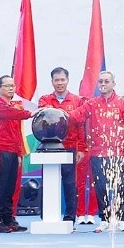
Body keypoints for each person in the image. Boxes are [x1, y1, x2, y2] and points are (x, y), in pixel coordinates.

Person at [0, 75, 33, 233]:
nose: (11, 88)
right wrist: (31, 114)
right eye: (7, 86)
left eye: (13, 86)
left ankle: (9, 219)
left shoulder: (14, 106)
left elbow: (16, 125)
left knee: (10, 186)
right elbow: (10, 115)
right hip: (1, 149)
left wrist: (19, 150)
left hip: (14, 150)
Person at [83, 70, 124, 232]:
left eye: (106, 81)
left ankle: (121, 218)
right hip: (98, 153)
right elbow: (78, 116)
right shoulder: (92, 103)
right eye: (101, 82)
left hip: (118, 153)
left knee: (119, 185)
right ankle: (104, 218)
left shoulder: (122, 103)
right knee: (100, 187)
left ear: (113, 84)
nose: (103, 85)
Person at [37, 67, 84, 224]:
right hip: (49, 148)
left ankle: (70, 218)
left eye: (62, 79)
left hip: (69, 147)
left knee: (70, 183)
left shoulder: (77, 100)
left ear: (68, 80)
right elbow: (42, 117)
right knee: (48, 181)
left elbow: (81, 126)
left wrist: (81, 148)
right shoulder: (45, 100)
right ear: (52, 82)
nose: (60, 83)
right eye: (56, 80)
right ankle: (47, 216)